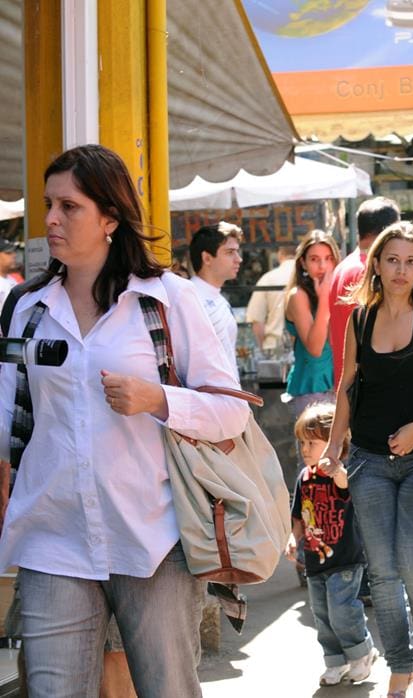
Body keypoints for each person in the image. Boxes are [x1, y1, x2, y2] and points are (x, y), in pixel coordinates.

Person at [0, 144, 248, 696]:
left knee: (167, 689)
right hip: (52, 536)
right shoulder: (28, 307)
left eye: (71, 206)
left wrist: (157, 399)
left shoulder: (167, 301)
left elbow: (231, 411)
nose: (53, 219)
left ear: (110, 217)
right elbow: (9, 416)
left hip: (153, 537)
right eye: (49, 204)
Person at [322, 221, 413, 698]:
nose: (402, 270)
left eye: (411, 261)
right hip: (367, 458)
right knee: (381, 570)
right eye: (392, 260)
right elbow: (346, 385)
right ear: (376, 265)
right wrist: (332, 444)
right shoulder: (362, 317)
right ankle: (400, 666)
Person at [284, 401, 378, 687]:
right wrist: (292, 538)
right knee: (322, 615)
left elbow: (346, 484)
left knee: (342, 609)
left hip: (345, 557)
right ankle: (335, 662)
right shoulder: (304, 477)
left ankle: (362, 652)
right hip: (314, 560)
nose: (305, 449)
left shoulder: (341, 472)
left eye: (312, 442)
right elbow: (299, 515)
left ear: (335, 441)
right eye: (302, 442)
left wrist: (336, 466)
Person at [284, 230, 340, 474]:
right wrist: (325, 300)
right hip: (310, 389)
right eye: (315, 258)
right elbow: (315, 348)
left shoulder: (338, 290)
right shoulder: (299, 296)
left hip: (337, 387)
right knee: (312, 466)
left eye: (328, 258)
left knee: (339, 463)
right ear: (303, 263)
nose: (323, 265)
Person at [328, 197, 401, 383]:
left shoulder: (344, 267)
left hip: (350, 383)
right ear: (388, 232)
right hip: (365, 385)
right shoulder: (366, 271)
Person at [188, 221, 242, 374]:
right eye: (230, 252)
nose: (239, 259)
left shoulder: (219, 298)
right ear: (207, 258)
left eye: (237, 252)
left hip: (227, 393)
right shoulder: (190, 298)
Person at [245, 244, 296, 353]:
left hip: (275, 347)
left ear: (280, 255)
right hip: (305, 348)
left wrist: (263, 349)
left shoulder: (267, 279)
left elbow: (257, 321)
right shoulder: (308, 277)